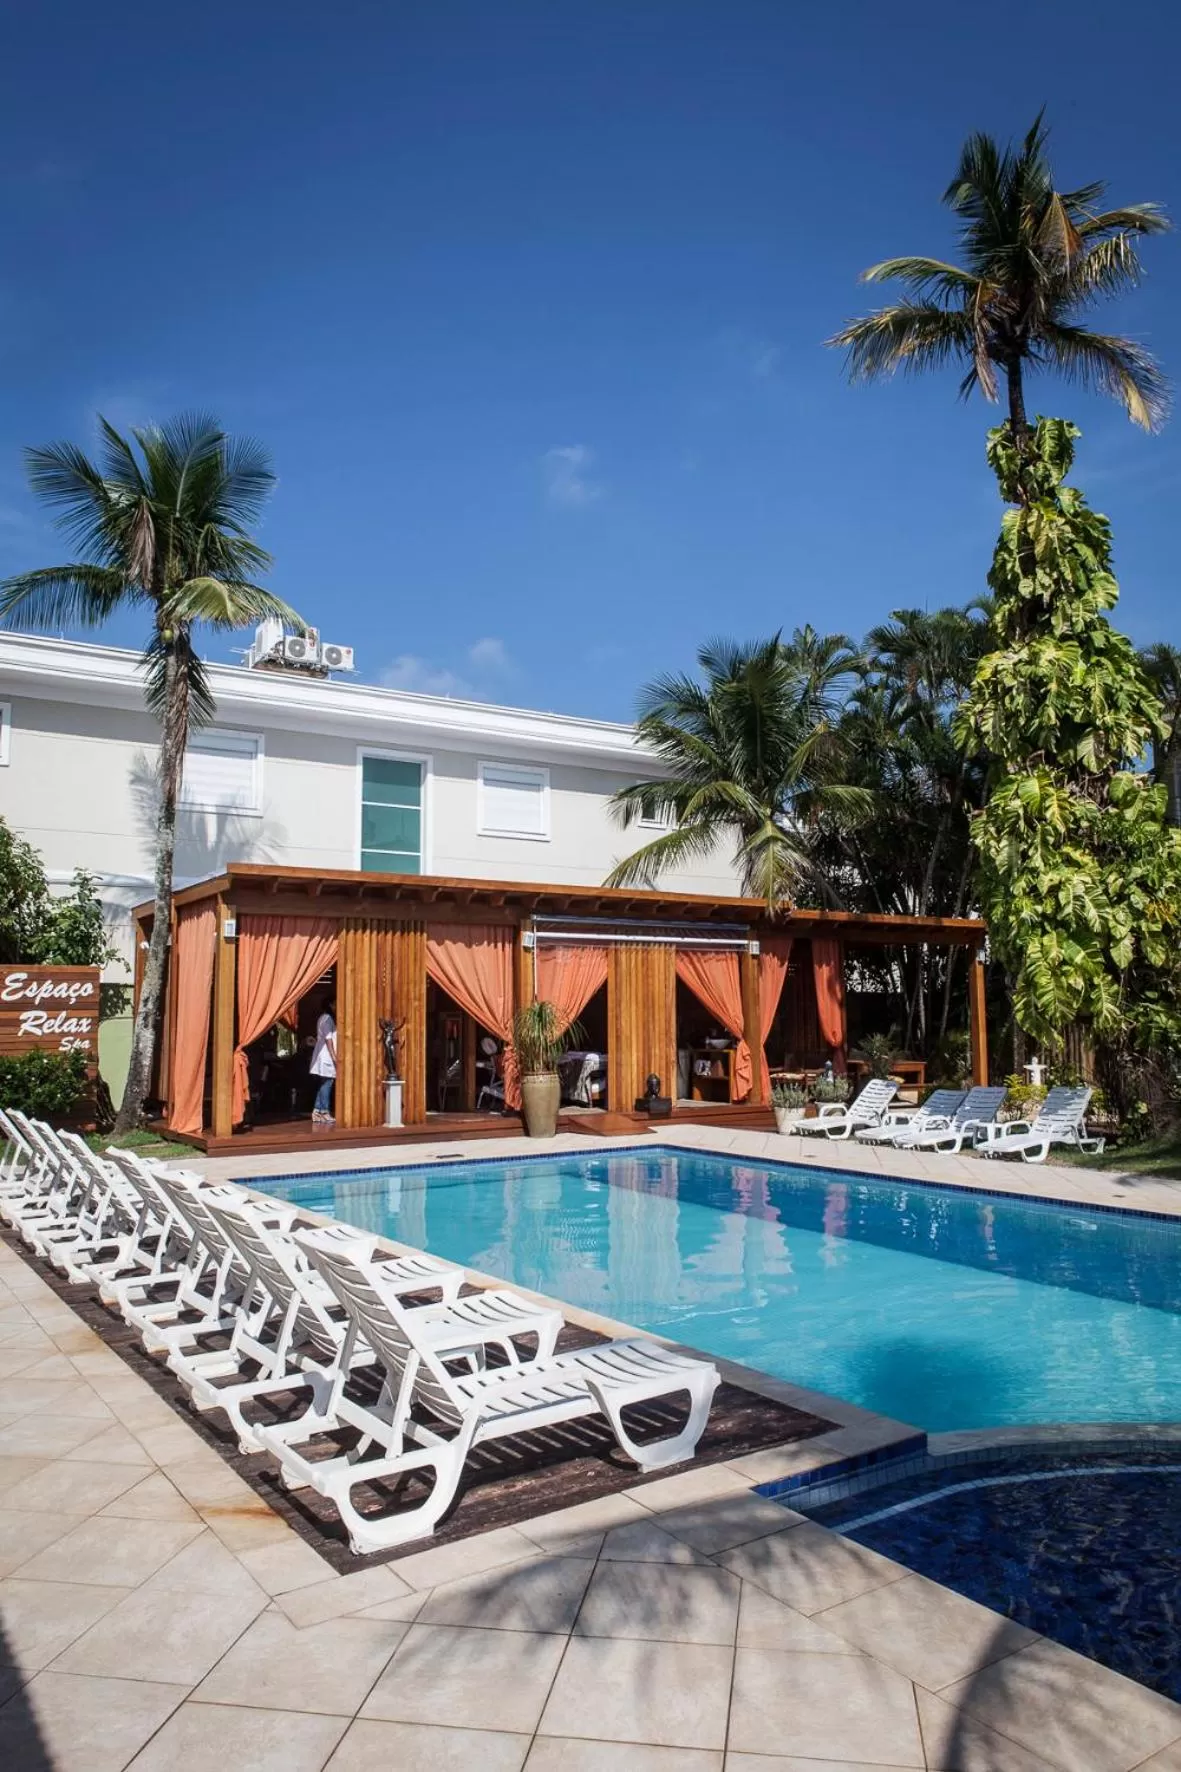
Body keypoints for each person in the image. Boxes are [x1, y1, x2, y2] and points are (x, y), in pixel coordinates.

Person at [309, 999, 337, 1126]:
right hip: (326, 1055)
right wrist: (333, 1055)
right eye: (335, 1004)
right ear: (330, 1005)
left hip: (323, 1055)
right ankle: (324, 1111)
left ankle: (317, 1110)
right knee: (327, 1082)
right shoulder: (327, 1019)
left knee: (324, 1083)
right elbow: (328, 1038)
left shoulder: (323, 1018)